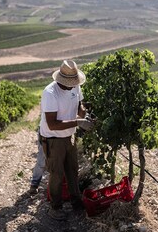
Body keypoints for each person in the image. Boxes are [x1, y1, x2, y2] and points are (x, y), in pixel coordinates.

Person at [34, 59, 94, 221]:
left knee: (72, 171)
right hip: (53, 139)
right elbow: (52, 124)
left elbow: (79, 105)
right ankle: (55, 207)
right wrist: (78, 122)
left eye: (74, 82)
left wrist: (85, 115)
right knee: (57, 174)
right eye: (69, 82)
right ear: (61, 80)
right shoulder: (50, 93)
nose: (72, 85)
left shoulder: (75, 85)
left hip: (69, 136)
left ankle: (76, 201)